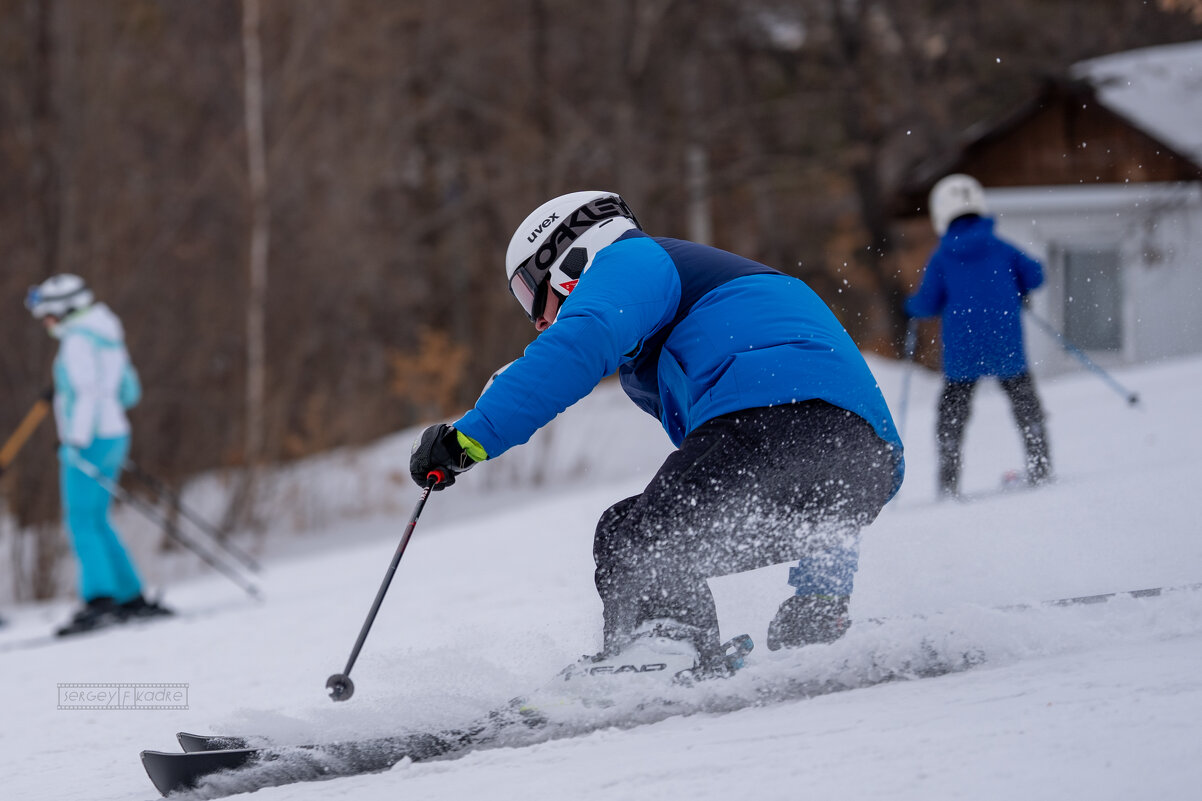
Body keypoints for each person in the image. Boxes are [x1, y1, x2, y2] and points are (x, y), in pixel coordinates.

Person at [409, 191, 904, 681]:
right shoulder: (678, 326)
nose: (538, 320)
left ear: (569, 257)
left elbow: (579, 341)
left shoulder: (632, 258)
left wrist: (466, 440)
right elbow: (825, 474)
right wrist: (820, 597)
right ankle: (677, 650)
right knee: (641, 528)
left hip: (775, 421)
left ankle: (665, 654)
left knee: (640, 536)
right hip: (864, 468)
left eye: (530, 293)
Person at [25, 274, 172, 636]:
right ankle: (129, 596)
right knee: (97, 518)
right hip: (115, 433)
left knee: (80, 520)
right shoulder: (106, 331)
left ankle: (100, 601)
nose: (45, 321)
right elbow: (127, 391)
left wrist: (73, 439)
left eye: (47, 313)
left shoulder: (77, 340)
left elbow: (87, 393)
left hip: (89, 440)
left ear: (63, 310)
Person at [905, 174, 1052, 498]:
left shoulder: (942, 257)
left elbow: (927, 304)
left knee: (952, 416)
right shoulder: (1000, 247)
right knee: (1026, 406)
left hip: (962, 350)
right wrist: (1020, 289)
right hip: (1006, 344)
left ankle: (948, 482)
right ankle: (1041, 465)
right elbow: (1037, 274)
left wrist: (911, 306)